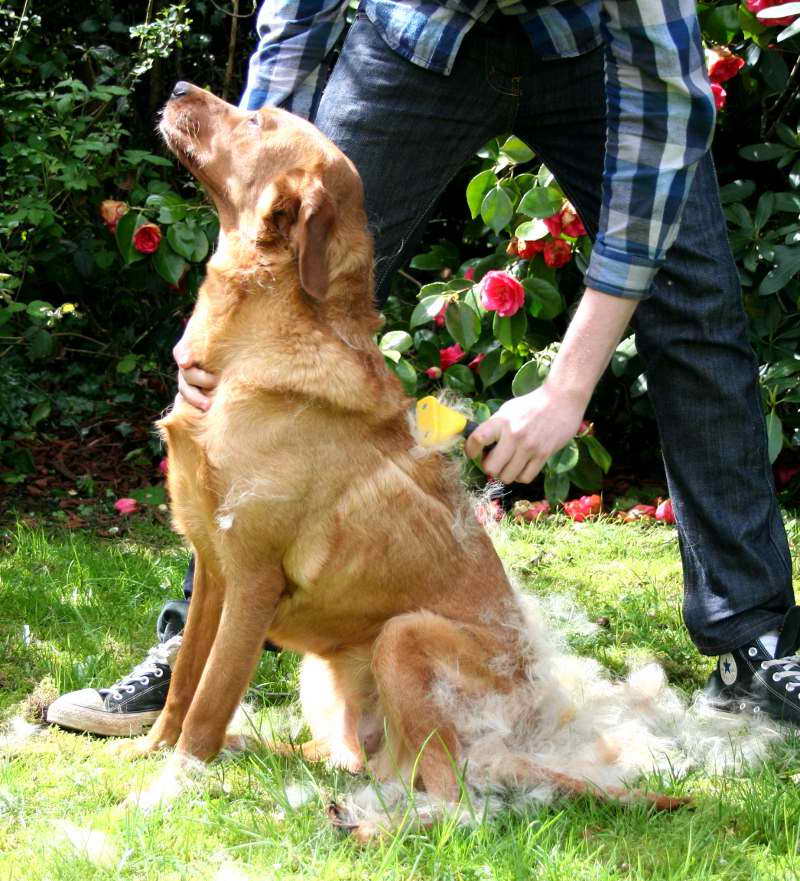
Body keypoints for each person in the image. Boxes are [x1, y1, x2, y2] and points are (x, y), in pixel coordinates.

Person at [48, 0, 800, 736]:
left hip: (590, 48)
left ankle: (754, 642)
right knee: (307, 255)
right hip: (418, 37)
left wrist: (570, 385)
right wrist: (243, 225)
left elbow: (661, 112)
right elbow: (293, 34)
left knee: (696, 306)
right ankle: (197, 641)